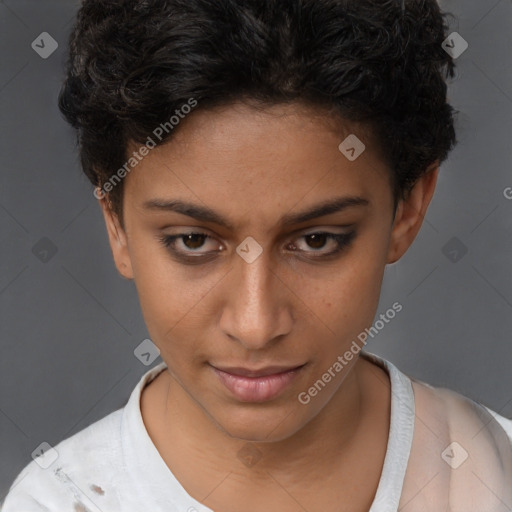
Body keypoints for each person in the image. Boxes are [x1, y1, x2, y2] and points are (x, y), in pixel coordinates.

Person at [3, 0, 512, 510]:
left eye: (318, 240)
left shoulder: (493, 474)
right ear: (117, 224)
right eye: (193, 241)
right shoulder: (55, 501)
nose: (255, 325)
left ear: (409, 208)